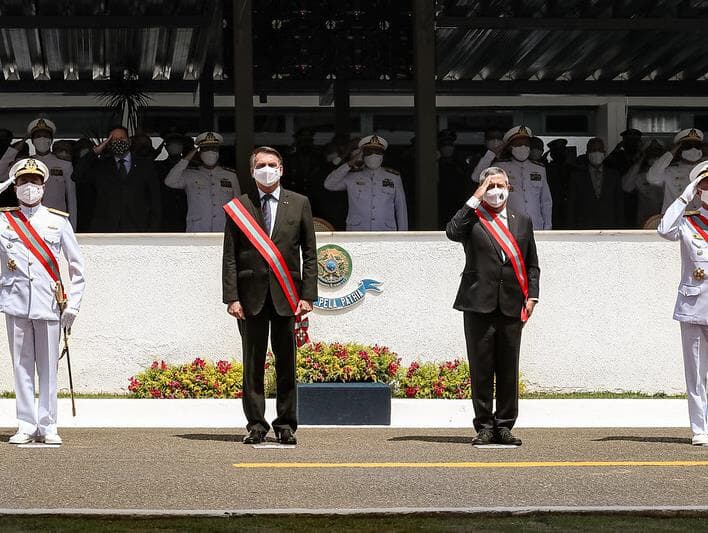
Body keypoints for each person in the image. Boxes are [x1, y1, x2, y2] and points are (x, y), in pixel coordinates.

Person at [222, 146, 317, 445]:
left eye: (272, 164)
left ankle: (286, 424)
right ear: (251, 172)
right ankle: (256, 425)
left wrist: (308, 295)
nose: (267, 169)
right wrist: (231, 297)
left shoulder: (299, 203)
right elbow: (230, 257)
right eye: (260, 165)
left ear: (281, 169)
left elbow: (310, 254)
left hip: (287, 296)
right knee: (252, 364)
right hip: (250, 298)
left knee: (287, 362)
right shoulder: (240, 206)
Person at [446, 166, 540, 446]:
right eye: (490, 185)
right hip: (478, 302)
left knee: (509, 367)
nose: (496, 190)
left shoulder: (522, 221)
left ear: (509, 189)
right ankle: (484, 426)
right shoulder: (472, 219)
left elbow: (532, 263)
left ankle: (505, 425)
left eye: (500, 185)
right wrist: (476, 196)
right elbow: (451, 231)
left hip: (513, 302)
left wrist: (533, 296)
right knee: (482, 367)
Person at [0, 158, 85, 445]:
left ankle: (48, 424)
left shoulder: (57, 221)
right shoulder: (3, 219)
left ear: (44, 186)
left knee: (48, 367)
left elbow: (77, 267)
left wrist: (73, 305)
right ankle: (25, 424)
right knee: (21, 366)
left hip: (49, 302)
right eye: (22, 182)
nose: (29, 187)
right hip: (16, 301)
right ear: (15, 187)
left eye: (34, 182)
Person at [657, 161, 708, 446]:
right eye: (706, 184)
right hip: (694, 306)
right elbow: (664, 229)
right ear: (698, 189)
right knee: (696, 372)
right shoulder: (688, 221)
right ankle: (700, 428)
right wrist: (684, 196)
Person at [74, 125, 161, 232]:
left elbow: (155, 200)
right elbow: (77, 175)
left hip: (138, 229)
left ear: (129, 141)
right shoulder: (101, 166)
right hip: (106, 229)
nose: (119, 142)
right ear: (109, 145)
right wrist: (95, 151)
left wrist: (152, 231)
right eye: (114, 140)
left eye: (122, 138)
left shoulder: (145, 166)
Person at [471, 126, 553, 230]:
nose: (523, 147)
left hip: (536, 225)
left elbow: (546, 201)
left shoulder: (539, 168)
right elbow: (476, 177)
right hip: (509, 227)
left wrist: (548, 227)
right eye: (518, 144)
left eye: (526, 144)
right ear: (510, 147)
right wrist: (492, 153)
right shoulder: (499, 166)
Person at [0, 119, 77, 228]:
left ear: (51, 140)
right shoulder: (23, 164)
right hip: (27, 220)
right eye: (37, 137)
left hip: (56, 221)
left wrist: (72, 226)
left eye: (45, 136)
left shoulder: (64, 165)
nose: (42, 139)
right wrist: (22, 141)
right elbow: (1, 172)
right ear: (32, 141)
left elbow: (71, 199)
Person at [324, 134, 408, 231]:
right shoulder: (352, 176)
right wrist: (349, 163)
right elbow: (329, 184)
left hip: (385, 231)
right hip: (358, 232)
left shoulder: (393, 177)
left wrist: (403, 234)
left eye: (377, 152)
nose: (373, 155)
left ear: (383, 155)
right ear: (362, 155)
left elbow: (401, 208)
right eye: (369, 152)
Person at [164, 131, 240, 232]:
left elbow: (238, 205)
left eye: (214, 149)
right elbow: (169, 181)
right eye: (206, 149)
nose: (210, 152)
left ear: (218, 152)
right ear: (199, 152)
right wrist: (186, 159)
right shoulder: (189, 174)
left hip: (224, 230)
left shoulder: (231, 175)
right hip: (197, 230)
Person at [568, 138, 624, 229]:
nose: (597, 153)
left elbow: (619, 205)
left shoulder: (614, 175)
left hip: (609, 227)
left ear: (604, 153)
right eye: (593, 150)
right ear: (587, 153)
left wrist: (620, 230)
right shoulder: (577, 176)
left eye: (599, 150)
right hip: (584, 227)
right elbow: (572, 206)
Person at [648, 128, 706, 213]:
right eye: (688, 146)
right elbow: (651, 178)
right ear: (679, 150)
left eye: (697, 146)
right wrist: (670, 153)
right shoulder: (670, 171)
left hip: (702, 221)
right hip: (677, 221)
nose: (693, 149)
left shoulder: (705, 169)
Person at [622, 139, 665, 227]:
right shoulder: (639, 176)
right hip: (644, 221)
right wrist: (640, 160)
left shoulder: (669, 173)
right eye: (651, 152)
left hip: (665, 220)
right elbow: (626, 187)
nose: (654, 156)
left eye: (657, 152)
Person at [438, 129, 473, 229]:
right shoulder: (436, 163)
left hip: (457, 206)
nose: (448, 147)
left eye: (450, 144)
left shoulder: (460, 164)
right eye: (444, 144)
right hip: (440, 207)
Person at [154, 130, 188, 232]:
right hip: (165, 215)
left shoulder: (191, 167)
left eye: (178, 143)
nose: (175, 146)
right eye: (171, 143)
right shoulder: (158, 167)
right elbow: (144, 163)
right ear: (166, 147)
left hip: (186, 214)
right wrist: (156, 151)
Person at [545, 138, 573, 229]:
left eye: (563, 151)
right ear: (552, 154)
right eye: (557, 151)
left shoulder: (572, 169)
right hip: (554, 209)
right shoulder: (547, 169)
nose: (561, 154)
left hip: (569, 209)